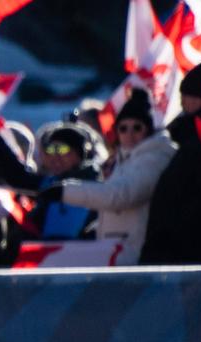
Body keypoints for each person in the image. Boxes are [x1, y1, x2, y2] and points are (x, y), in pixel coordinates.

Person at [46, 89, 176, 265]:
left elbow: (122, 195)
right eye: (123, 128)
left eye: (137, 127)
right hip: (119, 251)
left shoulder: (154, 158)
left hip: (138, 255)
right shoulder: (124, 160)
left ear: (149, 130)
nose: (129, 134)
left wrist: (66, 191)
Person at [140, 61, 201, 264]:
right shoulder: (194, 136)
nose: (181, 103)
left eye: (185, 94)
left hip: (192, 257)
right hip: (187, 254)